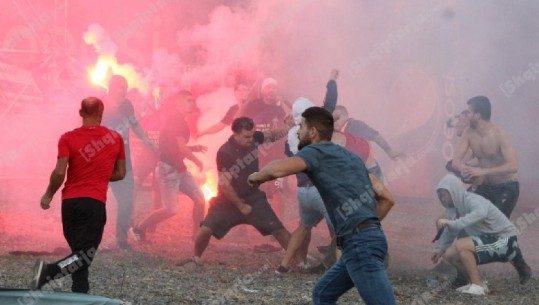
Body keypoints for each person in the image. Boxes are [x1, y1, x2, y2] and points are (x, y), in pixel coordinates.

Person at [248, 107, 397, 305]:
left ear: (313, 132)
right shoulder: (352, 157)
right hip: (364, 240)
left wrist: (256, 177)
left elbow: (276, 171)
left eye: (301, 127)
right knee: (322, 294)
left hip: (360, 245)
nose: (297, 131)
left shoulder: (315, 151)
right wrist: (367, 227)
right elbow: (387, 199)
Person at [31, 97, 126, 292]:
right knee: (85, 255)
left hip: (70, 204)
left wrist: (48, 195)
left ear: (81, 113)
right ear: (101, 114)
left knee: (78, 253)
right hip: (94, 203)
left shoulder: (67, 138)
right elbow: (120, 173)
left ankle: (80, 292)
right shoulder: (115, 138)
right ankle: (47, 273)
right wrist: (99, 175)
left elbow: (59, 172)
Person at [191, 117, 297, 265]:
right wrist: (240, 206)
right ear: (235, 134)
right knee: (205, 230)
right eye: (246, 136)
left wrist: (288, 129)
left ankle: (299, 261)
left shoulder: (254, 138)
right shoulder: (224, 152)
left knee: (278, 229)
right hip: (227, 200)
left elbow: (271, 135)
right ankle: (196, 258)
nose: (250, 139)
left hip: (253, 197)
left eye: (252, 135)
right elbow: (225, 185)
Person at [431, 174, 532, 295]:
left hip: (505, 241)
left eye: (443, 194)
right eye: (439, 196)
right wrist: (439, 250)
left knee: (461, 245)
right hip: (490, 240)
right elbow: (451, 230)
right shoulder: (454, 208)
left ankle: (477, 286)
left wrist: (454, 223)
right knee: (449, 254)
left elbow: (481, 213)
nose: (441, 198)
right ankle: (473, 282)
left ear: (453, 191)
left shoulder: (471, 199)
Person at [130, 91, 207, 241]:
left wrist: (192, 149)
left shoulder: (179, 120)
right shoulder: (176, 120)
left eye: (193, 100)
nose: (193, 104)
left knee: (200, 200)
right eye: (189, 101)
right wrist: (197, 161)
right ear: (179, 103)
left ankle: (195, 234)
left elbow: (175, 146)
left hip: (179, 169)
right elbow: (181, 148)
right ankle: (138, 228)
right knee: (170, 210)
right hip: (168, 169)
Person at [102, 75, 156, 250]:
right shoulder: (99, 104)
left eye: (125, 87)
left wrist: (146, 140)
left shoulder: (127, 105)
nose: (124, 90)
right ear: (111, 88)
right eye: (120, 87)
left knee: (126, 201)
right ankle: (90, 237)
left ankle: (122, 240)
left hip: (123, 161)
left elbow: (135, 124)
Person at [452, 96, 519, 218]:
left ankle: (504, 236)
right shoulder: (468, 133)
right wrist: (463, 169)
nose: (467, 116)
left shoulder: (500, 134)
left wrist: (483, 171)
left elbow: (513, 166)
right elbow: (455, 161)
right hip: (485, 187)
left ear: (478, 115)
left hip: (506, 187)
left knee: (494, 226)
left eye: (469, 112)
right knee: (461, 214)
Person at [332, 105, 405, 182]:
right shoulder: (336, 133)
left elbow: (375, 136)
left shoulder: (356, 125)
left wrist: (389, 151)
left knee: (378, 193)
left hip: (370, 170)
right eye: (332, 119)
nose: (335, 122)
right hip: (356, 173)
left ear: (345, 115)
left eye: (337, 118)